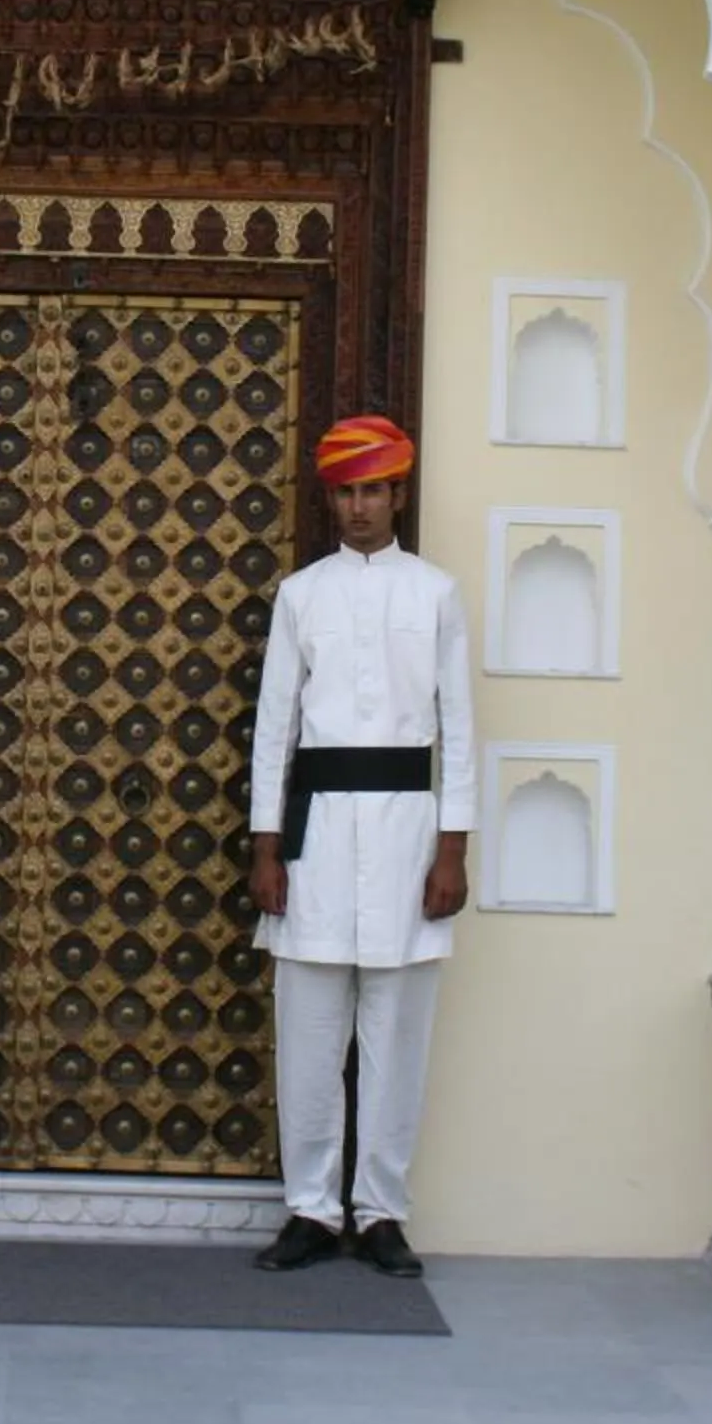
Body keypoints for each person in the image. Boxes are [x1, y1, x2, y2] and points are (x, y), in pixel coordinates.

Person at [245, 416, 474, 1279]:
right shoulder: (301, 595)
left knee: (398, 1037)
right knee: (306, 1033)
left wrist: (452, 849)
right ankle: (309, 1207)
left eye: (373, 489)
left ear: (398, 494)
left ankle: (380, 1212)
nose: (360, 506)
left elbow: (460, 731)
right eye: (346, 491)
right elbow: (276, 729)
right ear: (331, 498)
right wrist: (267, 846)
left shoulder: (438, 594)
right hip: (316, 835)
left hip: (410, 829)